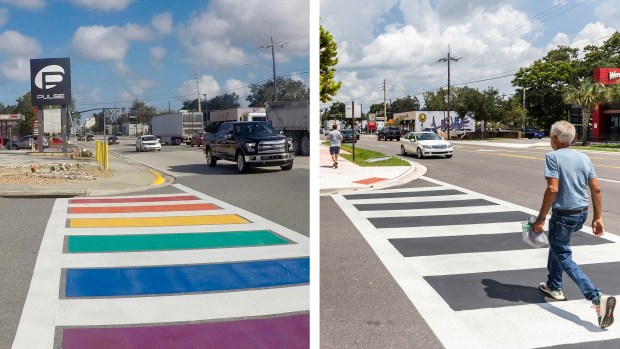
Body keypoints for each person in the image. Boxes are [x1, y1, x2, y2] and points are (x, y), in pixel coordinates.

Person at [533, 120, 615, 329]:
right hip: (582, 214)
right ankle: (554, 286)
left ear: (554, 139)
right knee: (558, 245)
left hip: (564, 215)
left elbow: (552, 189)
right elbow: (596, 189)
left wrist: (541, 218)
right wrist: (598, 218)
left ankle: (596, 296)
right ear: (574, 139)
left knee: (562, 254)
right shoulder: (583, 157)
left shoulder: (552, 157)